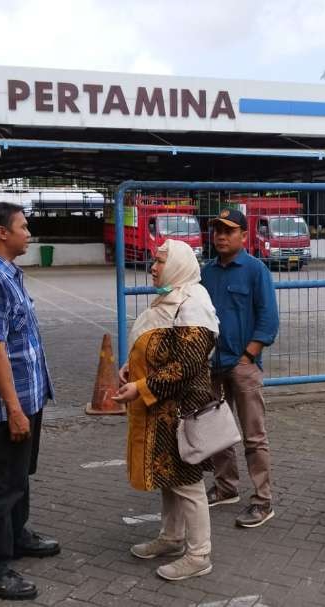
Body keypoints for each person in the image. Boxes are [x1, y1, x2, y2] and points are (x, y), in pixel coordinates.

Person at [113, 239, 220, 581]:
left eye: (160, 262)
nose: (153, 268)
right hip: (160, 409)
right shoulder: (171, 299)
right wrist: (133, 367)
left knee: (187, 483)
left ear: (177, 266)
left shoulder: (193, 306)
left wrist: (140, 387)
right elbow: (161, 350)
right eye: (153, 261)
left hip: (182, 411)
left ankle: (199, 554)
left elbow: (185, 366)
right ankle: (172, 538)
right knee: (167, 478)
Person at [0, 202, 59, 601]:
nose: (29, 233)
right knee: (3, 481)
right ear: (2, 233)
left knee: (21, 474)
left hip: (29, 393)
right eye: (23, 227)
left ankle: (16, 535)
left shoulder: (10, 275)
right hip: (14, 401)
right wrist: (15, 409)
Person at [200, 207, 280, 528]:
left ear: (243, 237)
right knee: (216, 433)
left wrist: (248, 356)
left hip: (242, 365)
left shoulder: (255, 270)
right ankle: (225, 487)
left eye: (228, 231)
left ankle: (263, 500)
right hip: (212, 366)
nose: (220, 236)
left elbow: (268, 320)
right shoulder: (207, 273)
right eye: (217, 230)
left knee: (253, 436)